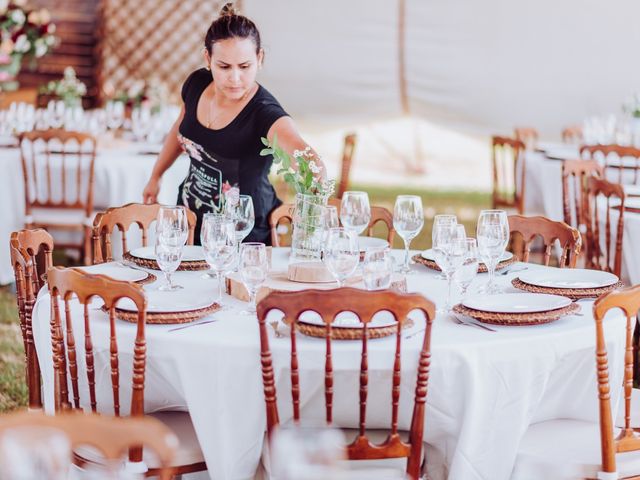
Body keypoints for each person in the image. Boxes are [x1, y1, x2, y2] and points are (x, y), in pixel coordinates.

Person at [142, 3, 324, 244]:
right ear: (208, 58)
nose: (235, 78)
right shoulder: (196, 84)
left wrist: (311, 198)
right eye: (224, 66)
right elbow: (180, 128)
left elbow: (309, 162)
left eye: (245, 66)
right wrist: (156, 175)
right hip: (189, 219)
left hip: (242, 233)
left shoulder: (264, 113)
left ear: (260, 58)